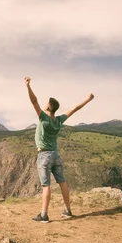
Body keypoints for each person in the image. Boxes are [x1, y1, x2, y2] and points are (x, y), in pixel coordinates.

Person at [24, 76, 94, 222]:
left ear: (48, 107)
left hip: (44, 155)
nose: (44, 104)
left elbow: (33, 101)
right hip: (56, 155)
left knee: (46, 185)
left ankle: (44, 215)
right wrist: (88, 99)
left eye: (46, 103)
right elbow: (74, 109)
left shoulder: (43, 118)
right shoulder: (59, 120)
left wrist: (28, 86)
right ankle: (68, 210)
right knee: (62, 182)